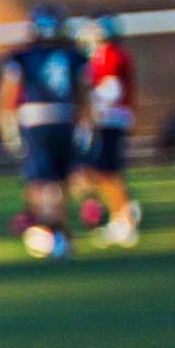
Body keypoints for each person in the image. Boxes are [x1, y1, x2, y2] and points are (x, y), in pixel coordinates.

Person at [0, 5, 91, 260]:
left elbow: (8, 95)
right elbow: (84, 95)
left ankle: (52, 232)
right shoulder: (73, 55)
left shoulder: (23, 56)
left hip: (36, 121)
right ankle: (61, 235)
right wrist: (85, 124)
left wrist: (8, 126)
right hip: (64, 118)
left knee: (43, 182)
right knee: (60, 181)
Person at [75, 16, 141, 246]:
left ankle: (124, 218)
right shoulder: (106, 54)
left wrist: (91, 108)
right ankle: (120, 215)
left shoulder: (110, 54)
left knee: (108, 172)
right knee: (101, 172)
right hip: (108, 119)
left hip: (109, 119)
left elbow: (111, 89)